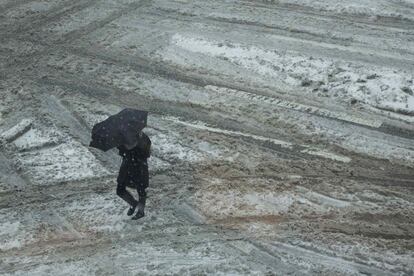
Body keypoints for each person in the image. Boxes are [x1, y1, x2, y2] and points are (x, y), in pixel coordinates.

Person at [116, 131, 151, 220]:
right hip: (126, 166)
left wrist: (134, 147)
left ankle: (141, 211)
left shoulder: (143, 138)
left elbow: (147, 153)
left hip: (139, 167)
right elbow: (121, 152)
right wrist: (122, 146)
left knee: (141, 189)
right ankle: (133, 203)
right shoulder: (123, 137)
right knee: (120, 190)